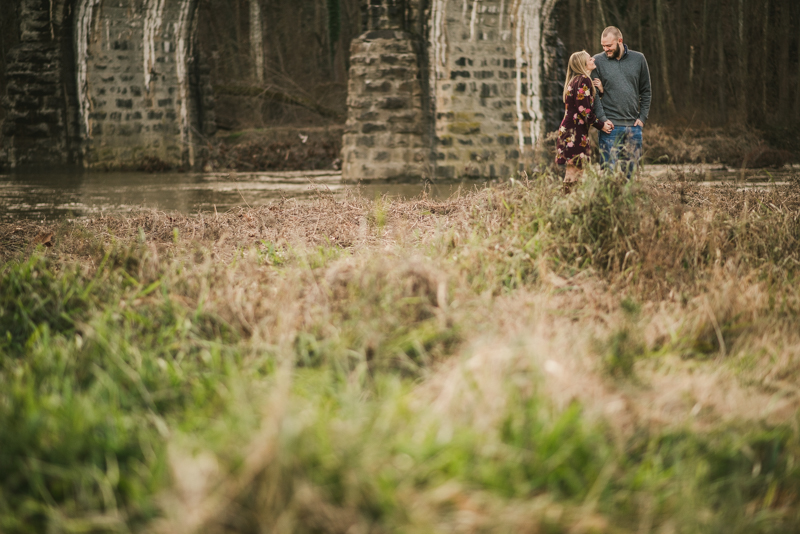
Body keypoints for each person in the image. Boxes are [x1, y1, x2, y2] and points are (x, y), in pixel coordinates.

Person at [591, 26, 651, 179]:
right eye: (603, 46)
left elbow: (646, 90)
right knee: (607, 175)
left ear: (620, 41)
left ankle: (629, 203)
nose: (606, 49)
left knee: (631, 177)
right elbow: (594, 95)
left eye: (609, 45)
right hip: (610, 128)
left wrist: (642, 117)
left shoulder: (639, 59)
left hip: (633, 127)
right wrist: (603, 120)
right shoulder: (596, 61)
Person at [555, 51, 613, 194]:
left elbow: (584, 103)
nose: (593, 59)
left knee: (572, 170)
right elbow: (585, 111)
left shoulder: (576, 80)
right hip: (574, 132)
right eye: (589, 58)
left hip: (570, 130)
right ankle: (572, 205)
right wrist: (601, 125)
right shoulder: (583, 80)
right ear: (583, 64)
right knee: (576, 171)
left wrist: (599, 92)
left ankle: (568, 203)